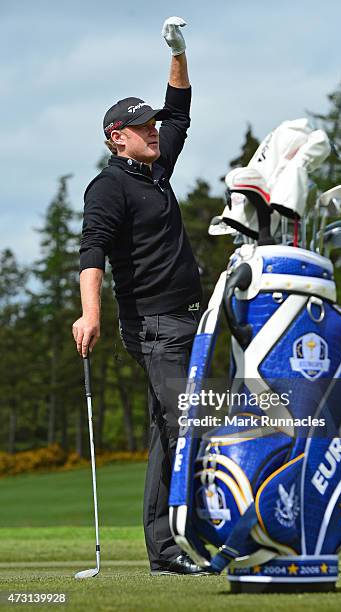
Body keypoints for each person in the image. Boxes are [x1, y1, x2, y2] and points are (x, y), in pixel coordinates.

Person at [72, 17, 207, 576]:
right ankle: (183, 544)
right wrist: (90, 314)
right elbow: (92, 253)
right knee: (184, 422)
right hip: (152, 328)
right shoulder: (110, 187)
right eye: (140, 126)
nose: (153, 131)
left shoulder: (156, 170)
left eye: (151, 125)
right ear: (115, 137)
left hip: (185, 321)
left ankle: (164, 552)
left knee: (164, 428)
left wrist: (178, 52)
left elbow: (179, 109)